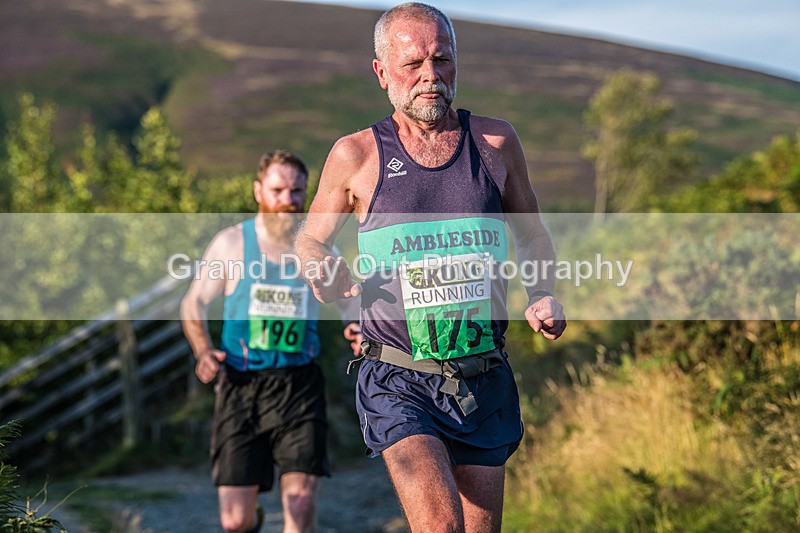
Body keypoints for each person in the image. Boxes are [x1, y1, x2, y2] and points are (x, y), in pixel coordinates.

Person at [295, 3, 566, 532]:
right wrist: (321, 268)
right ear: (381, 72)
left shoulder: (494, 143)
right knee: (441, 527)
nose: (429, 77)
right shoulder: (355, 155)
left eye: (442, 61)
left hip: (482, 372)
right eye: (412, 64)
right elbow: (310, 239)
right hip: (398, 375)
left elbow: (532, 235)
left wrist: (542, 293)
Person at [181, 149, 361, 533]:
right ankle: (254, 518)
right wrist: (202, 350)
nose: (288, 201)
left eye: (297, 191)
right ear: (258, 191)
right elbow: (193, 301)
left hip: (299, 384)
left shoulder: (320, 250)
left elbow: (349, 303)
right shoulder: (231, 244)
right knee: (236, 521)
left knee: (300, 504)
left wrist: (355, 328)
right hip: (241, 384)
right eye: (278, 190)